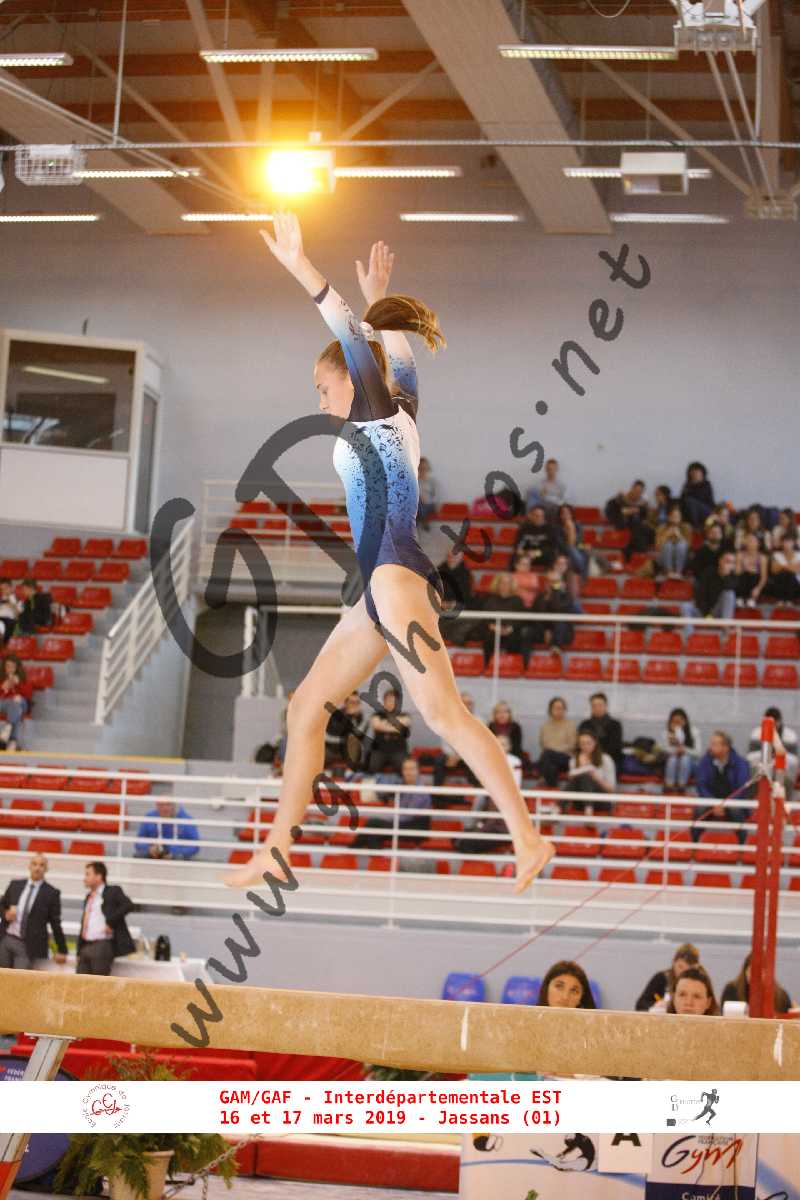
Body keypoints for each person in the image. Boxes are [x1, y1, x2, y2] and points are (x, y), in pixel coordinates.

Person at [225, 219, 553, 895]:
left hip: (395, 576)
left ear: (352, 379)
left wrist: (301, 264)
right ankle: (275, 850)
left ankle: (527, 836)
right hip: (376, 588)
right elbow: (400, 361)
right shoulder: (396, 408)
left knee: (443, 714)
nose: (319, 399)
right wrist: (382, 299)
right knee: (305, 708)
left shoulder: (374, 412)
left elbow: (351, 333)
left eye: (322, 386)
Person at [0, 853, 68, 969]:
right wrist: (5, 914)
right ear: (29, 866)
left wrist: (62, 950)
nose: (37, 868)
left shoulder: (51, 893)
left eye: (41, 865)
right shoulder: (15, 885)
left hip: (28, 945)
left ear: (46, 869)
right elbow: (2, 905)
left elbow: (55, 923)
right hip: (6, 939)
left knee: (20, 978)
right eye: (34, 864)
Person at [435, 547, 493, 665]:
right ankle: (455, 634)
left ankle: (451, 633)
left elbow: (466, 596)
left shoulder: (466, 574)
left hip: (459, 609)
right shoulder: (438, 571)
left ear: (460, 558)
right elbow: (432, 591)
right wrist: (441, 602)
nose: (452, 558)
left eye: (455, 556)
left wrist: (455, 604)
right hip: (440, 609)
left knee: (475, 619)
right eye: (450, 555)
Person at [76, 861, 135, 976]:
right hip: (86, 945)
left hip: (102, 945)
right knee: (80, 982)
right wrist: (79, 950)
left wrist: (110, 922)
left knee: (100, 983)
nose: (85, 878)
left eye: (88, 874)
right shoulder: (89, 896)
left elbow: (128, 905)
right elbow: (84, 923)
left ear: (98, 876)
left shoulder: (112, 891)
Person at [694, 731, 751, 838]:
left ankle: (743, 843)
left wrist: (725, 804)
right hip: (711, 801)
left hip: (733, 801)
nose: (711, 747)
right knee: (699, 810)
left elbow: (742, 788)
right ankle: (694, 843)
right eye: (711, 744)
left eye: (715, 744)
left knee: (736, 811)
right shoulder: (704, 761)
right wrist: (713, 803)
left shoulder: (741, 763)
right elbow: (701, 785)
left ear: (726, 747)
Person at [747, 707, 798, 802]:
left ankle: (784, 802)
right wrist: (768, 755)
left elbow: (794, 760)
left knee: (786, 781)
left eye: (775, 722)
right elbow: (750, 756)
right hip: (760, 770)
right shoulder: (756, 733)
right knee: (753, 780)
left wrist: (777, 757)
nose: (774, 725)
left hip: (783, 772)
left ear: (780, 721)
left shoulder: (790, 736)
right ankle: (755, 802)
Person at [433, 692, 479, 796]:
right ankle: (437, 793)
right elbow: (445, 743)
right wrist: (451, 755)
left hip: (470, 756)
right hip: (451, 755)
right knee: (439, 760)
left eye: (469, 703)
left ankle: (477, 795)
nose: (466, 706)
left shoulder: (479, 722)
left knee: (476, 762)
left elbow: (476, 745)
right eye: (464, 703)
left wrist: (459, 756)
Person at [720, 952, 793, 1015]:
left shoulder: (781, 996)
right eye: (752, 971)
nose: (756, 976)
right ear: (745, 971)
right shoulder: (731, 990)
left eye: (761, 971)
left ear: (769, 973)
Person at [635, 942, 700, 1012]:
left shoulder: (700, 982)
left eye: (689, 969)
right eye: (680, 967)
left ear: (696, 967)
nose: (683, 972)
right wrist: (655, 1006)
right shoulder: (662, 978)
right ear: (674, 963)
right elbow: (640, 1004)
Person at [528, 565, 578, 654]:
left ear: (562, 583)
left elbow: (557, 609)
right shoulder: (540, 597)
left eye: (555, 582)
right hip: (542, 631)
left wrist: (556, 592)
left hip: (562, 632)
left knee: (560, 622)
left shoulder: (567, 597)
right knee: (527, 631)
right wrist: (546, 630)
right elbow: (535, 617)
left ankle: (555, 647)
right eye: (549, 581)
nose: (551, 584)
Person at [566, 729, 616, 816]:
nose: (585, 746)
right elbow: (572, 784)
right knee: (583, 776)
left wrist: (596, 778)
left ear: (595, 743)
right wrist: (581, 767)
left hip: (601, 800)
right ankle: (588, 809)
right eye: (582, 743)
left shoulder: (606, 759)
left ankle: (558, 807)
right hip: (580, 801)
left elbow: (611, 790)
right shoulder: (574, 760)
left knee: (586, 776)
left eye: (588, 743)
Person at [682, 551, 737, 628]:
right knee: (685, 606)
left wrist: (726, 576)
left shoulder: (733, 576)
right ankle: (689, 634)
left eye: (732, 563)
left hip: (718, 613)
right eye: (727, 561)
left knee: (729, 594)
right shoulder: (709, 572)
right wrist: (707, 614)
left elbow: (731, 591)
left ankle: (725, 629)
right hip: (704, 611)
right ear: (720, 561)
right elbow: (700, 594)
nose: (728, 565)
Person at [365, 686, 412, 775]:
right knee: (371, 766)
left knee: (405, 769)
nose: (390, 703)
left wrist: (384, 725)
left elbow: (405, 723)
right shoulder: (376, 715)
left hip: (399, 751)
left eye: (393, 701)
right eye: (388, 700)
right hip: (379, 751)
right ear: (384, 702)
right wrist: (396, 727)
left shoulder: (405, 715)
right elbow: (376, 725)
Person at [134, 799, 200, 860]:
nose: (164, 808)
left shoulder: (186, 820)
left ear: (174, 805)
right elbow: (139, 841)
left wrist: (173, 853)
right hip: (156, 853)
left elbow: (195, 846)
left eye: (168, 804)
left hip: (177, 854)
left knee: (179, 857)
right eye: (161, 805)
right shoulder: (150, 817)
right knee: (139, 855)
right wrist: (150, 849)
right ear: (156, 806)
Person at [537, 696, 577, 788]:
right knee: (551, 767)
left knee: (547, 754)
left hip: (566, 759)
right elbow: (543, 744)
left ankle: (543, 777)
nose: (559, 711)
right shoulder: (545, 726)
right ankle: (553, 789)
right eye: (556, 708)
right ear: (550, 710)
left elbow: (572, 745)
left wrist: (553, 751)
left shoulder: (570, 725)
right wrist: (552, 751)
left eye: (561, 708)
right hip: (550, 759)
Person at [578, 692, 624, 773]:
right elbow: (580, 745)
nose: (597, 708)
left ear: (606, 706)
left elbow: (615, 748)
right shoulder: (585, 724)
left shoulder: (615, 725)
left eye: (600, 705)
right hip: (588, 759)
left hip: (610, 760)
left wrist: (598, 758)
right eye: (594, 706)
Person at [324, 690, 369, 769]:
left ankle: (351, 772)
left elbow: (358, 735)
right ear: (345, 703)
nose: (355, 705)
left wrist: (353, 718)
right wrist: (343, 739)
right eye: (352, 702)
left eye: (357, 702)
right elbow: (326, 736)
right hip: (332, 747)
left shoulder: (361, 717)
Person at [605, 481, 649, 559]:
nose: (637, 494)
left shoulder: (643, 504)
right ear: (632, 489)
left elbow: (645, 517)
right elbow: (611, 513)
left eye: (640, 492)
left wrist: (637, 511)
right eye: (636, 491)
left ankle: (639, 556)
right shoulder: (618, 500)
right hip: (623, 526)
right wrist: (623, 512)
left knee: (642, 531)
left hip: (637, 530)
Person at [486, 573, 526, 657]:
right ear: (498, 584)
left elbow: (521, 619)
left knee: (516, 638)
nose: (505, 585)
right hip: (494, 630)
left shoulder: (518, 600)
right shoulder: (490, 599)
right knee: (488, 636)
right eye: (502, 583)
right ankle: (488, 663)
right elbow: (485, 618)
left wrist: (509, 629)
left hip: (512, 631)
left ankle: (512, 662)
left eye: (508, 583)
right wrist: (494, 627)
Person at [0, 653, 32, 751]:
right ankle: (13, 741)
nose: (10, 669)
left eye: (12, 667)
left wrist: (18, 684)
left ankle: (7, 728)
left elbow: (28, 695)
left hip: (21, 702)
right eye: (7, 666)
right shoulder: (1, 677)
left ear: (17, 668)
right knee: (16, 708)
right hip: (4, 703)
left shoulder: (23, 678)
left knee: (17, 701)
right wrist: (3, 688)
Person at [663, 707, 700, 791]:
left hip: (689, 762)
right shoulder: (667, 733)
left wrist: (685, 750)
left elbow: (697, 752)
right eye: (674, 722)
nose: (677, 724)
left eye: (679, 721)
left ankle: (682, 786)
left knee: (684, 759)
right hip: (672, 761)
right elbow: (664, 750)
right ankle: (669, 785)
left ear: (685, 721)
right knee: (673, 759)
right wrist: (675, 749)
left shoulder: (693, 732)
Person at [512, 504, 557, 569]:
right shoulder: (524, 528)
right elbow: (519, 544)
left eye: (540, 516)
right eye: (535, 515)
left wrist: (536, 553)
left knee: (552, 556)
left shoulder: (550, 529)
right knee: (515, 557)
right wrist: (522, 551)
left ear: (544, 517)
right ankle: (516, 575)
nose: (538, 518)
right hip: (527, 554)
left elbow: (551, 547)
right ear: (531, 516)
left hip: (542, 555)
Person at [655, 503, 692, 578]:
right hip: (664, 557)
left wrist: (680, 536)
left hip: (683, 558)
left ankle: (678, 572)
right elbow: (657, 547)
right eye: (673, 516)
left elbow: (688, 547)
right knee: (668, 545)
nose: (675, 518)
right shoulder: (662, 528)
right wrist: (666, 535)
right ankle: (669, 571)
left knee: (681, 545)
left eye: (677, 516)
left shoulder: (686, 527)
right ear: (669, 517)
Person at [736, 532, 768, 606]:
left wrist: (758, 589)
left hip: (755, 583)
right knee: (745, 574)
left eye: (753, 541)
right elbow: (737, 573)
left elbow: (764, 577)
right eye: (748, 540)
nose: (750, 543)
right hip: (743, 582)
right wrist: (745, 567)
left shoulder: (762, 558)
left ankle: (751, 599)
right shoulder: (740, 555)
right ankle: (740, 598)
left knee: (753, 575)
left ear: (758, 543)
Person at [555, 504, 587, 578]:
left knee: (585, 550)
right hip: (562, 551)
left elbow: (579, 542)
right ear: (560, 515)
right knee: (570, 549)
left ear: (571, 514)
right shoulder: (556, 527)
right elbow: (561, 545)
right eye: (563, 513)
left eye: (568, 513)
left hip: (577, 549)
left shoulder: (577, 525)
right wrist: (570, 530)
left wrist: (571, 528)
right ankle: (582, 571)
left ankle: (581, 571)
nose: (566, 515)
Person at [680, 461, 715, 528]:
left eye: (697, 472)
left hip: (707, 509)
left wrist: (694, 485)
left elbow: (700, 498)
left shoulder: (706, 484)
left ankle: (695, 526)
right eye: (692, 472)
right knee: (684, 503)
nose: (694, 474)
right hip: (691, 510)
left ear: (702, 473)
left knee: (690, 501)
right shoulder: (687, 485)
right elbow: (682, 499)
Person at [767, 533, 800, 602]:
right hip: (780, 582)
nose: (787, 544)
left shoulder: (798, 555)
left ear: (793, 543)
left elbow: (797, 570)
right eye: (785, 542)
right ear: (781, 543)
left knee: (790, 574)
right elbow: (774, 570)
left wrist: (781, 566)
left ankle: (788, 600)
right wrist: (790, 566)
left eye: (789, 542)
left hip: (796, 584)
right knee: (783, 574)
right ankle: (781, 600)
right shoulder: (776, 555)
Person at [416, 456, 437, 529]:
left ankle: (420, 520)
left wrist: (428, 500)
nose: (423, 470)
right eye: (421, 468)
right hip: (418, 504)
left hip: (429, 505)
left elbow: (435, 497)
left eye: (424, 468)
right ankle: (423, 519)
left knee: (420, 507)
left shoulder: (432, 481)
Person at [0, 578, 21, 645]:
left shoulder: (17, 600)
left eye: (6, 588)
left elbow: (18, 616)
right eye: (2, 589)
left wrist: (12, 606)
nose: (4, 590)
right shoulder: (1, 599)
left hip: (9, 622)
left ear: (11, 588)